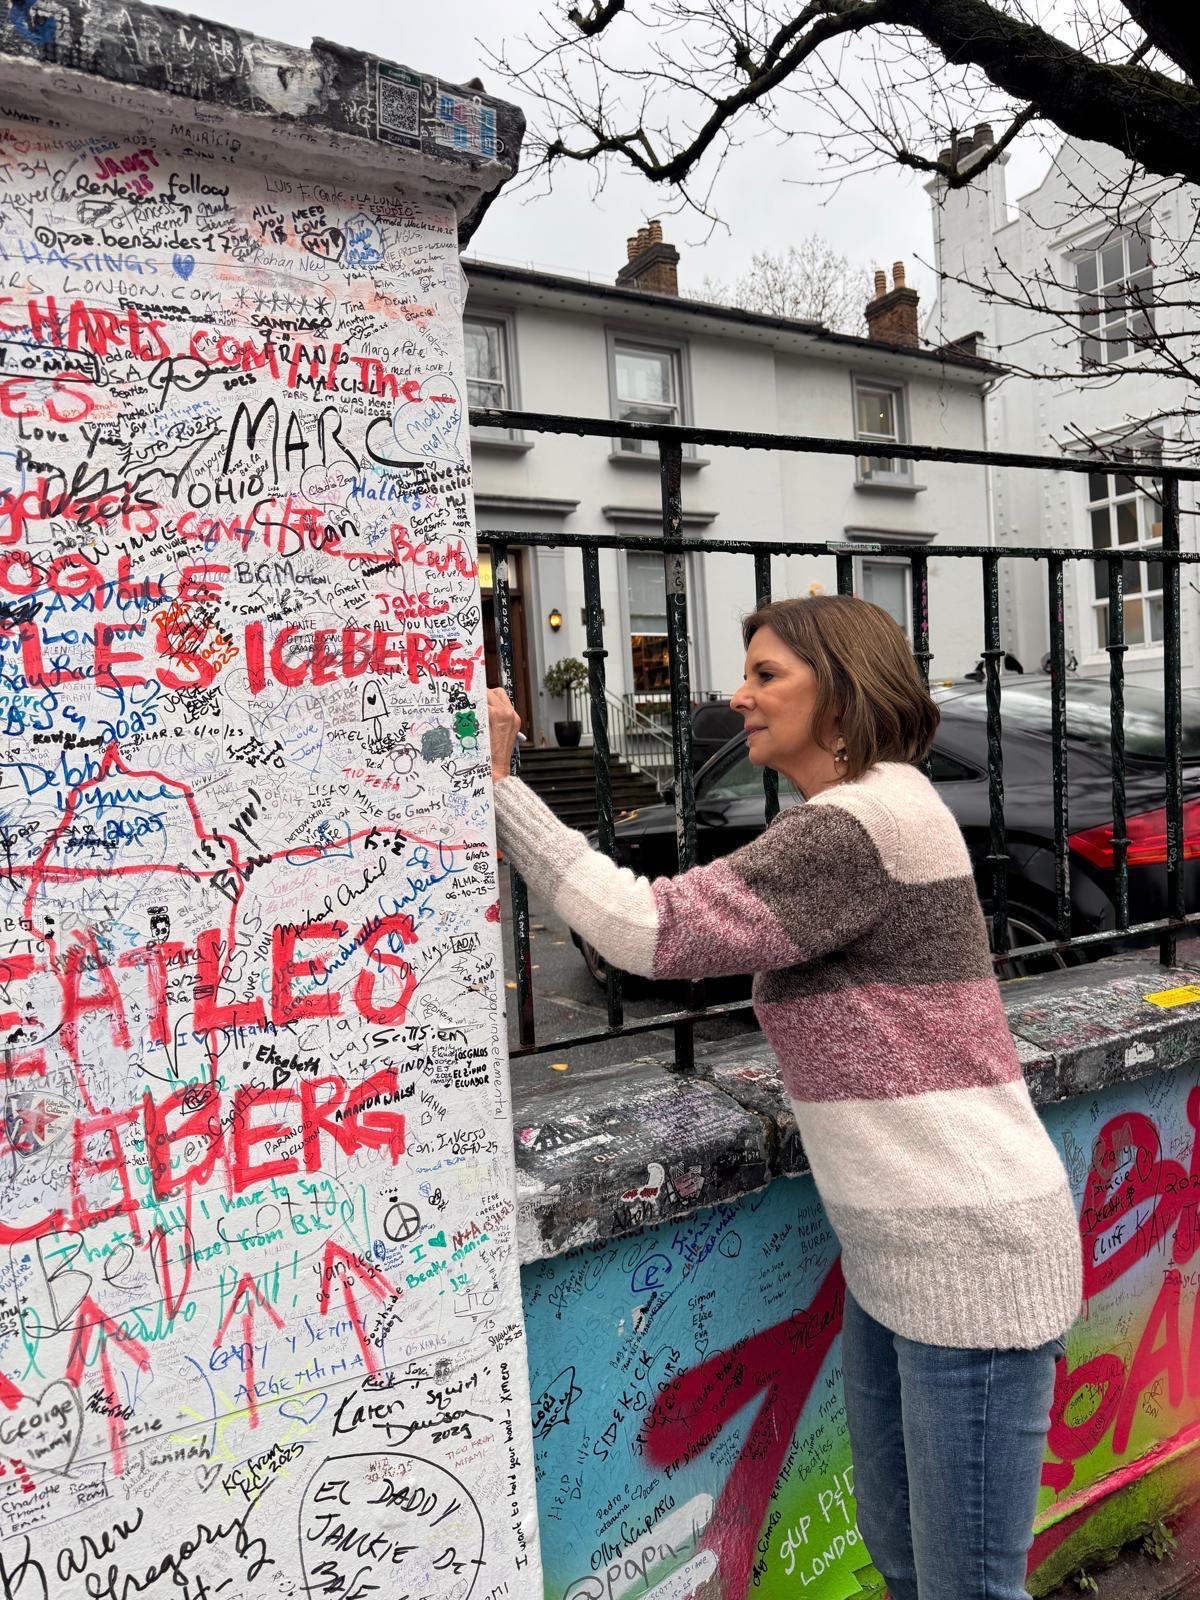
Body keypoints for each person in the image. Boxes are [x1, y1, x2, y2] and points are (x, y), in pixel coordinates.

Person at [486, 594, 1082, 1600]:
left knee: (966, 1588)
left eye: (767, 674)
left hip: (969, 1255)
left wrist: (502, 790)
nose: (739, 695)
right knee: (904, 1561)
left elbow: (646, 931)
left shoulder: (860, 824)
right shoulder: (872, 809)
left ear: (838, 691)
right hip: (900, 1262)